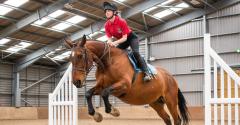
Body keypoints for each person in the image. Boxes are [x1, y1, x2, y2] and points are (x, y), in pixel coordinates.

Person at [103, 2, 151, 82]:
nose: (107, 12)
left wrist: (114, 43)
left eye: (109, 11)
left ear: (114, 12)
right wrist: (109, 42)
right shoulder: (106, 25)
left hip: (131, 38)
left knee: (135, 53)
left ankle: (147, 72)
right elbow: (109, 38)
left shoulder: (121, 21)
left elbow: (125, 38)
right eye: (105, 11)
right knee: (114, 53)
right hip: (122, 40)